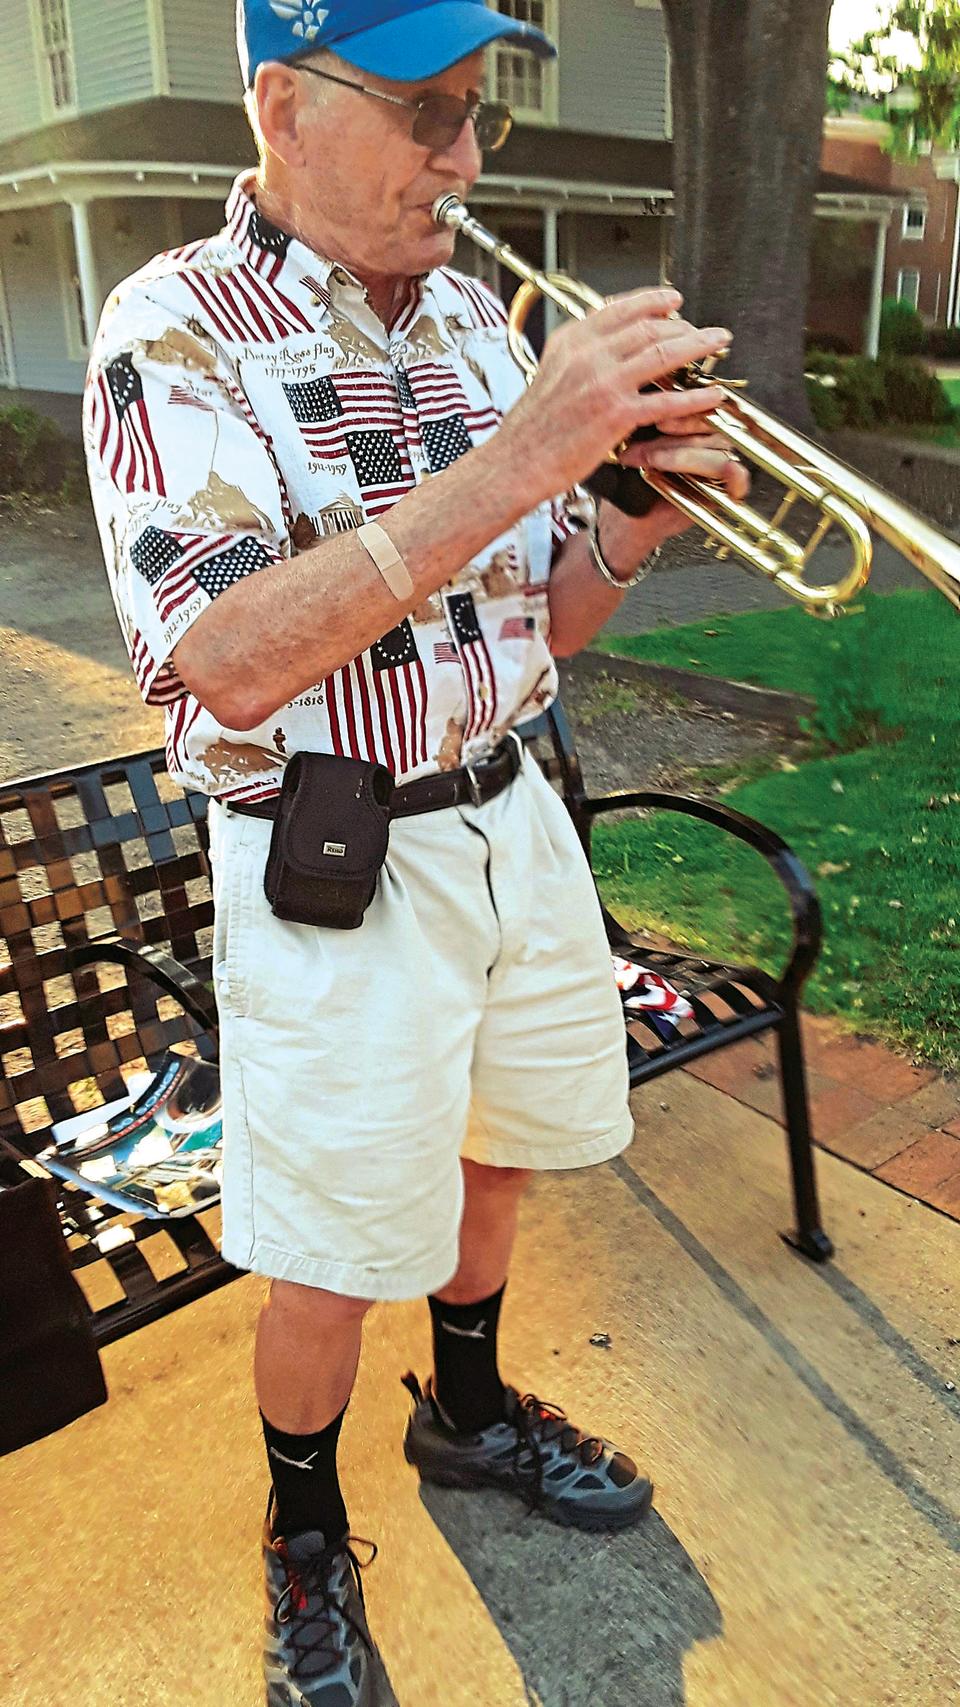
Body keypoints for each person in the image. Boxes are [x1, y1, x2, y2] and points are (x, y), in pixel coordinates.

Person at [83, 3, 748, 1701]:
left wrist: (621, 521)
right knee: (328, 1247)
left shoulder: (469, 313)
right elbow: (222, 656)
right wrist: (529, 446)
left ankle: (465, 1414)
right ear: (285, 110)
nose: (466, 156)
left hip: (512, 818)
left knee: (496, 1157)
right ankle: (305, 1540)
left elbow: (544, 626)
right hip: (334, 858)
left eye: (483, 116)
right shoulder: (171, 333)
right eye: (431, 112)